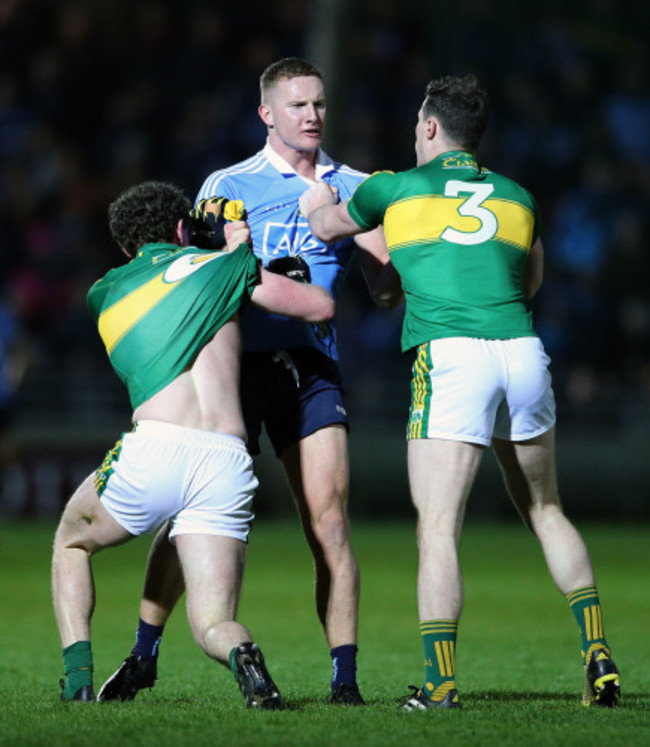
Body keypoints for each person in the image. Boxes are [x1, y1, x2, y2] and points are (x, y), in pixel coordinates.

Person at [299, 74, 620, 710]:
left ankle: (441, 684)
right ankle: (598, 654)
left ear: (428, 128)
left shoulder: (395, 186)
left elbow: (330, 226)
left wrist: (317, 198)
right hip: (522, 352)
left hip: (451, 356)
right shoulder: (519, 197)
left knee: (440, 527)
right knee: (546, 509)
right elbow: (530, 281)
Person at [98, 57, 400, 707]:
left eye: (319, 104)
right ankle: (144, 653)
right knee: (186, 515)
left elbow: (384, 289)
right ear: (267, 114)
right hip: (235, 370)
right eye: (297, 106)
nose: (313, 115)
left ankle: (344, 682)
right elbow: (193, 280)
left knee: (330, 522)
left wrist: (386, 242)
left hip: (312, 367)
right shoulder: (227, 184)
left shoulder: (356, 184)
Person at [52, 180, 335, 707]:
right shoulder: (228, 267)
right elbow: (318, 306)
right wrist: (238, 248)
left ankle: (77, 681)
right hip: (227, 460)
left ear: (124, 246)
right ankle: (245, 656)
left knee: (71, 542)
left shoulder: (105, 291)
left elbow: (166, 295)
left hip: (157, 446)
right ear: (184, 228)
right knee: (212, 621)